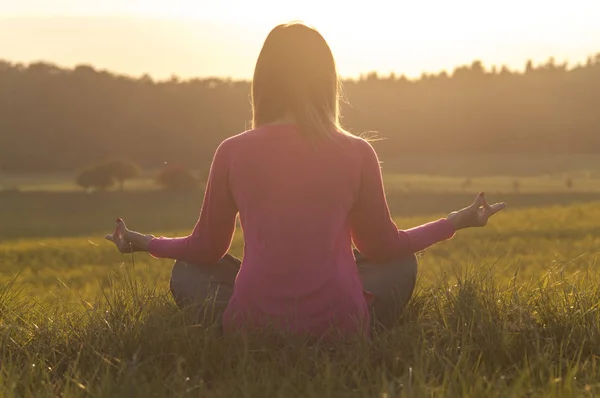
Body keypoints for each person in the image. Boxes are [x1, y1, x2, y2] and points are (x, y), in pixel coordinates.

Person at [105, 22, 506, 340]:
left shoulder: (232, 151)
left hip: (250, 328)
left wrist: (145, 242)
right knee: (398, 262)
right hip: (340, 328)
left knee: (188, 271)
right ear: (327, 80)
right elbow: (385, 246)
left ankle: (234, 325)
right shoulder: (356, 152)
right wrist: (457, 220)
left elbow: (207, 249)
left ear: (262, 80)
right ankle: (364, 323)